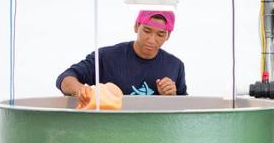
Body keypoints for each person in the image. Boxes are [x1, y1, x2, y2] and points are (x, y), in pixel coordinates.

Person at [57, 10, 188, 102]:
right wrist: (83, 91)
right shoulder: (106, 57)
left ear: (168, 36)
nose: (152, 40)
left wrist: (172, 96)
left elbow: (184, 108)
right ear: (136, 26)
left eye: (160, 34)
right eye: (147, 31)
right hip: (110, 130)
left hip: (155, 134)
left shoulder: (175, 66)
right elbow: (65, 78)